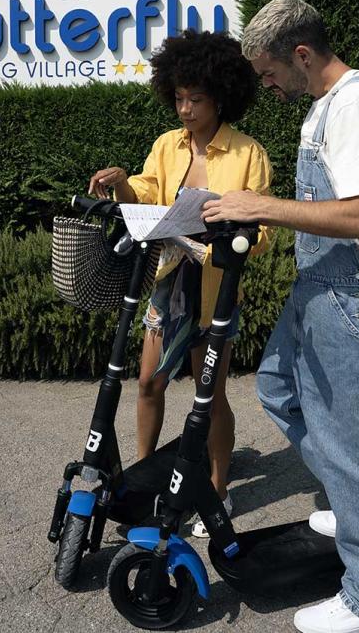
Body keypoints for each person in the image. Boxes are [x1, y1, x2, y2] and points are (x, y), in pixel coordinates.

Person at [202, 0, 359, 631]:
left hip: (358, 296)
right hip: (321, 289)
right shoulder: (327, 106)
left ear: (302, 54)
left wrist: (262, 206)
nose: (266, 86)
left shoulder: (356, 106)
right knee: (276, 387)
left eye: (270, 73)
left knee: (357, 438)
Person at [88, 30, 273, 538]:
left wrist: (224, 238)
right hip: (169, 282)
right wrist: (121, 182)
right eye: (178, 98)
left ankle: (217, 485)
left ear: (221, 96)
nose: (186, 109)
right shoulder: (166, 145)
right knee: (148, 382)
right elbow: (147, 193)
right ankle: (145, 479)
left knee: (209, 398)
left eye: (196, 99)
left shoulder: (248, 153)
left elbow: (261, 231)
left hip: (216, 287)